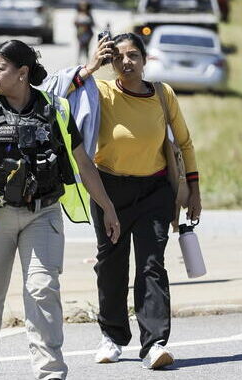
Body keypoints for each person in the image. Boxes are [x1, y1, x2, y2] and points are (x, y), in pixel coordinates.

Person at [0, 39, 120, 380]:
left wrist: (108, 209)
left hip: (43, 214)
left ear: (22, 73)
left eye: (0, 68)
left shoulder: (56, 109)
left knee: (43, 289)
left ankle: (50, 372)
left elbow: (84, 164)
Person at [72, 33, 202, 370]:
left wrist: (194, 189)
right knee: (111, 264)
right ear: (110, 62)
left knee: (151, 265)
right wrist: (91, 66)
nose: (126, 62)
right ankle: (112, 337)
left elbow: (184, 143)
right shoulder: (100, 91)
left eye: (133, 56)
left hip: (154, 192)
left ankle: (154, 343)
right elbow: (58, 94)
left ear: (145, 60)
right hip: (109, 192)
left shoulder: (162, 93)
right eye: (118, 57)